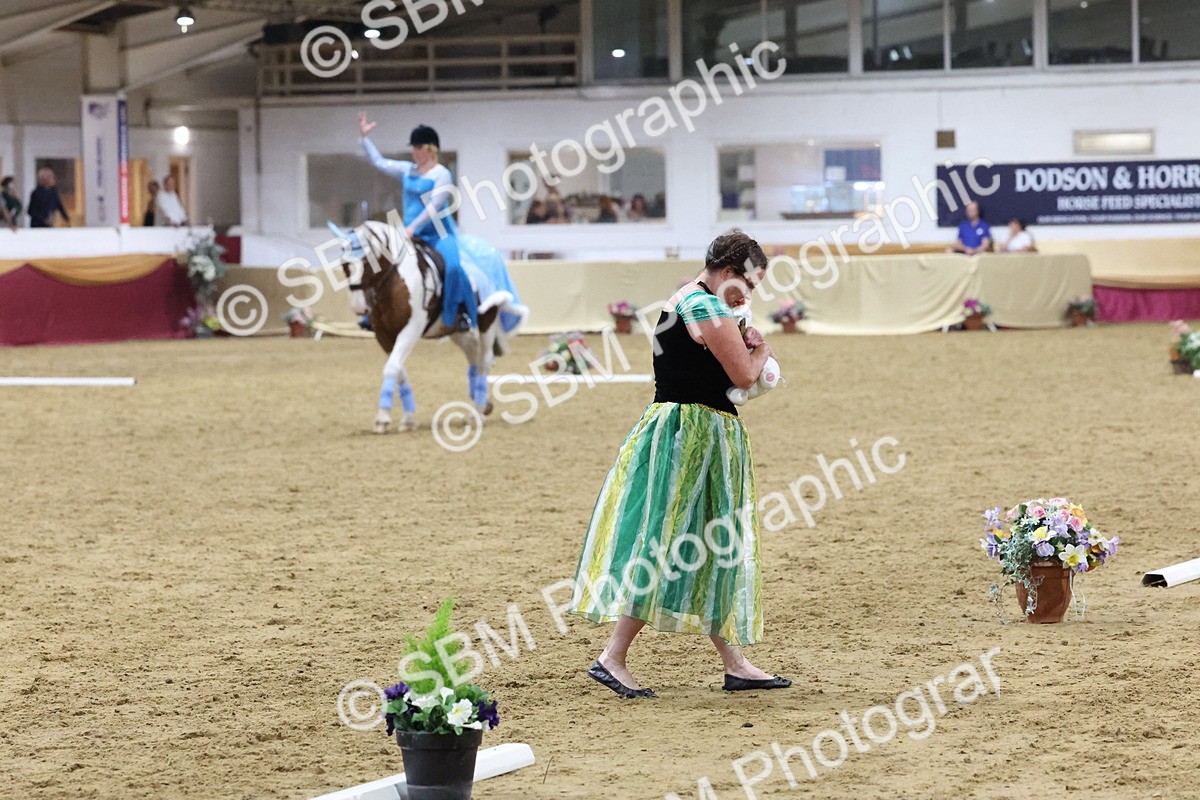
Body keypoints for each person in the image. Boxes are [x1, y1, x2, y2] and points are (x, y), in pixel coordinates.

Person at [568, 228, 792, 698]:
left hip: (682, 429)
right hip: (697, 435)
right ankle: (613, 656)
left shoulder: (688, 298)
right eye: (748, 285)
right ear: (729, 273)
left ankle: (735, 663)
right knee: (674, 543)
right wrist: (763, 350)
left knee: (706, 543)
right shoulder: (709, 307)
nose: (749, 295)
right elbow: (744, 375)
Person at [358, 112, 479, 331]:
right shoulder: (407, 170)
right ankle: (373, 313)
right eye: (413, 147)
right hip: (409, 232)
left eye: (418, 147)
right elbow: (379, 162)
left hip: (438, 233)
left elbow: (434, 207)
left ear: (430, 149)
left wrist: (413, 227)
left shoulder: (441, 174)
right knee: (380, 264)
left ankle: (460, 316)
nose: (413, 151)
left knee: (452, 268)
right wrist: (365, 139)